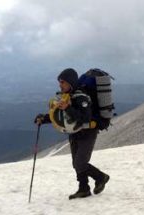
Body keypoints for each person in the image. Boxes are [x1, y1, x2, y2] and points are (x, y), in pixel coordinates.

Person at [34, 68, 110, 200]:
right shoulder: (67, 97)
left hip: (88, 132)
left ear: (70, 82)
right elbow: (61, 116)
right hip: (75, 133)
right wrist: (44, 119)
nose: (60, 84)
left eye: (62, 82)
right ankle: (83, 188)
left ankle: (101, 177)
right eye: (60, 82)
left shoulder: (82, 98)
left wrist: (68, 108)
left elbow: (84, 118)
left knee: (80, 163)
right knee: (76, 163)